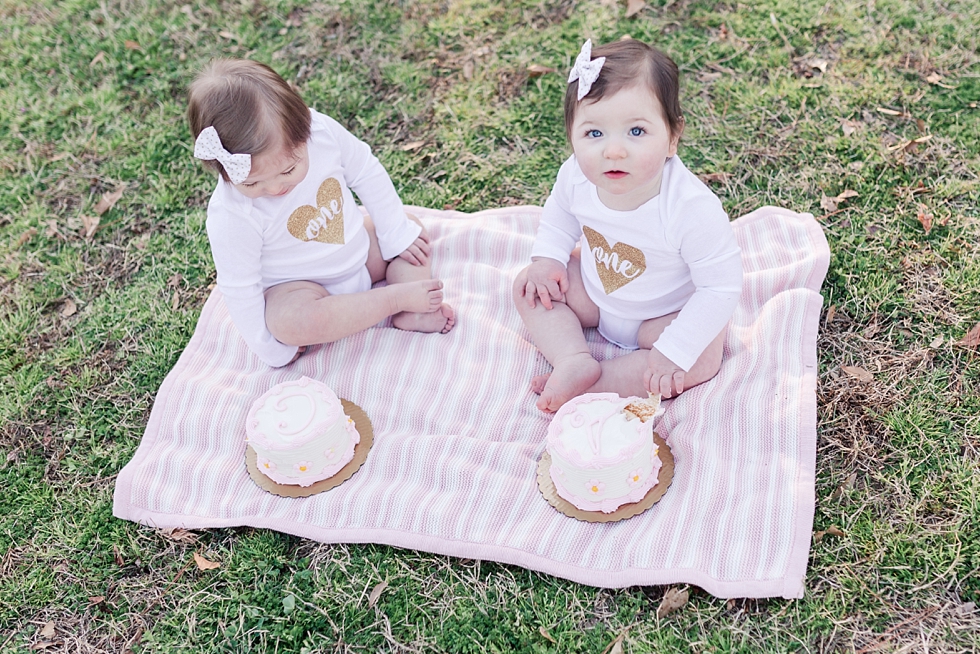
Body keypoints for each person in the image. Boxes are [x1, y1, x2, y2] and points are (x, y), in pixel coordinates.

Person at [514, 39, 743, 413]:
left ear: (672, 136)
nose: (614, 150)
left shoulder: (690, 208)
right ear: (571, 135)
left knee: (701, 357)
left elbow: (721, 285)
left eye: (636, 131)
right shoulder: (575, 176)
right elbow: (560, 214)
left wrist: (677, 348)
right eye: (594, 133)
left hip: (661, 317)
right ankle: (572, 358)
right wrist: (549, 259)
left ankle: (601, 382)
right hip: (593, 292)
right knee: (528, 286)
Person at [188, 59, 454, 367]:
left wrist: (395, 234)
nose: (275, 188)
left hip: (360, 254)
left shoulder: (323, 133)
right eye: (252, 182)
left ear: (304, 131)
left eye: (288, 169)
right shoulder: (232, 215)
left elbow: (365, 172)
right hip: (301, 287)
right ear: (221, 168)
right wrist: (271, 348)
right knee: (287, 323)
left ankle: (409, 313)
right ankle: (396, 299)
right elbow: (240, 287)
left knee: (410, 230)